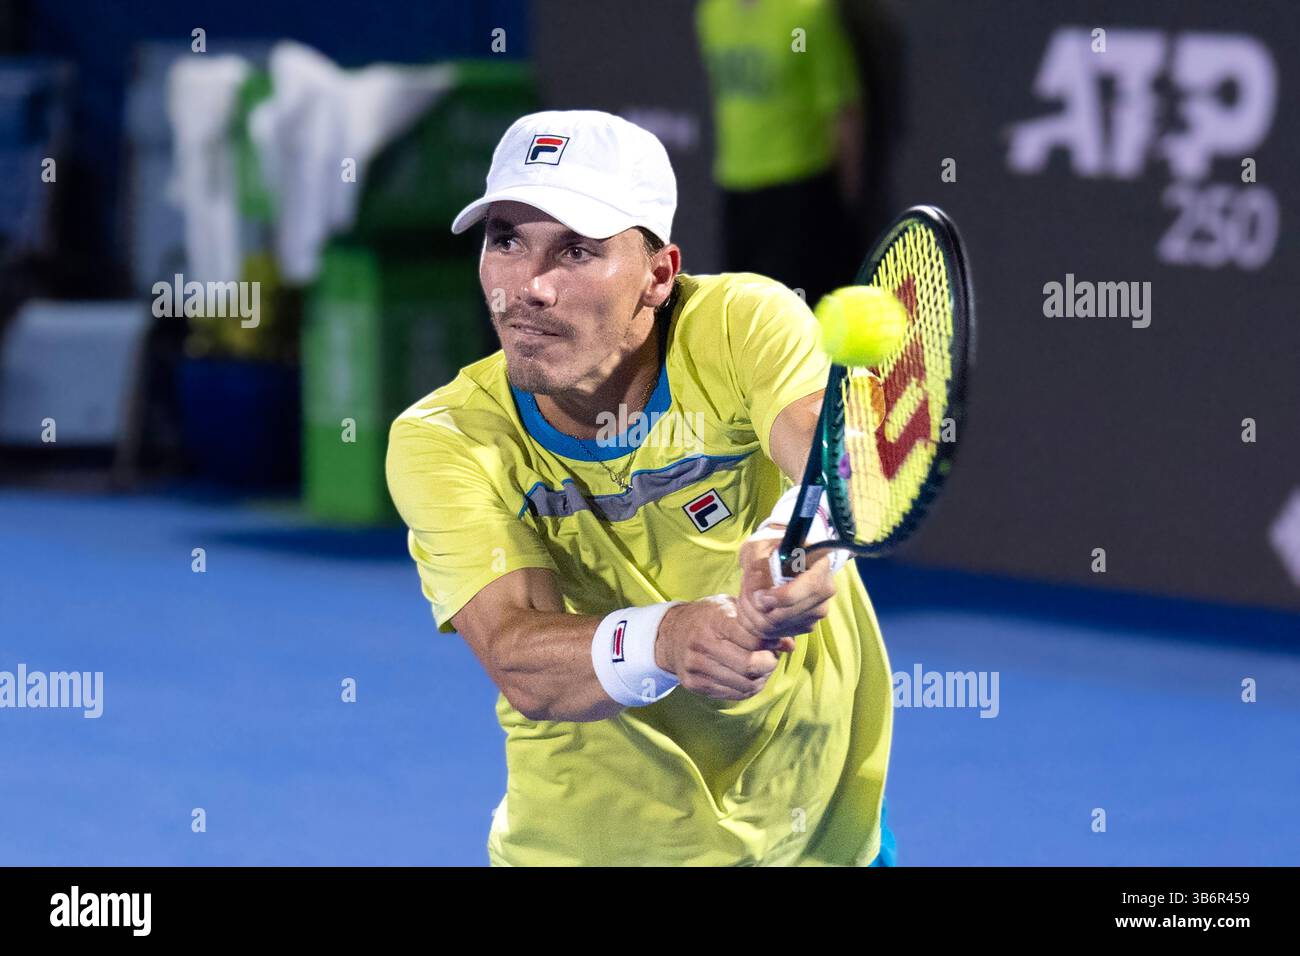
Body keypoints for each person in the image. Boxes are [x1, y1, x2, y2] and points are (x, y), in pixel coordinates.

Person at [385, 110, 895, 866]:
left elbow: (835, 448)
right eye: (506, 242)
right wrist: (669, 637)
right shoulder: (447, 439)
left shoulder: (738, 324)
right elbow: (520, 658)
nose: (528, 288)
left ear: (659, 275)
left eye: (578, 250)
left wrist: (805, 542)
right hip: (602, 843)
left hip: (821, 830)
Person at [695, 0, 866, 305]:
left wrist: (849, 201)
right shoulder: (712, 14)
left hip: (798, 189)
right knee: (741, 317)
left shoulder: (808, 12)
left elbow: (843, 109)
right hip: (736, 187)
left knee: (796, 316)